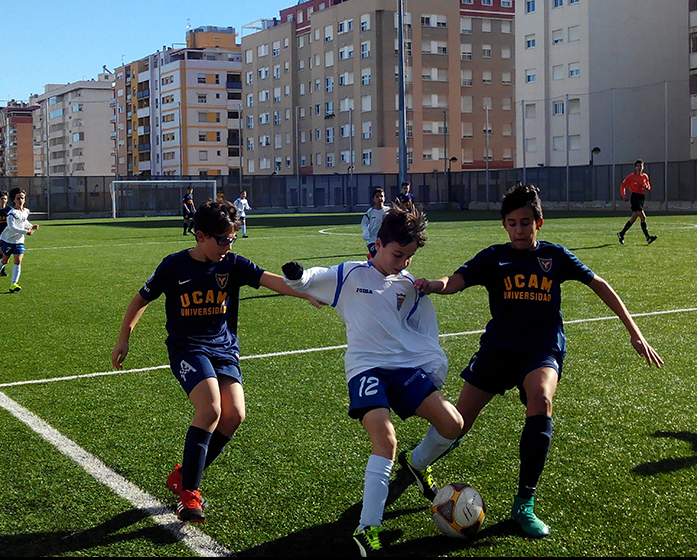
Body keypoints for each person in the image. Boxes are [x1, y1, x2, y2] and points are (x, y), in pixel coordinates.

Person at [413, 183, 662, 538]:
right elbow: (456, 280)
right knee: (457, 423)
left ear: (539, 223)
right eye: (512, 223)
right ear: (504, 225)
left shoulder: (555, 256)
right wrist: (434, 285)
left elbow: (600, 284)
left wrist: (634, 331)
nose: (519, 230)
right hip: (499, 348)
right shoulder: (494, 256)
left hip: (541, 348)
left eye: (526, 222)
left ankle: (524, 503)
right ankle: (417, 462)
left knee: (541, 399)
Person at [111, 199, 320, 524]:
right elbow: (141, 299)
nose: (227, 245)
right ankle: (189, 494)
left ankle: (184, 475)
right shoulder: (174, 265)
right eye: (221, 239)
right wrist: (124, 336)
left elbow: (270, 279)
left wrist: (303, 291)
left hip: (224, 349)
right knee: (210, 408)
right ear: (200, 235)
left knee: (234, 415)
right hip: (187, 348)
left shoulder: (232, 264)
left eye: (231, 239)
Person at [281, 207, 463, 557]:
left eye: (409, 257)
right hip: (366, 369)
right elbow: (310, 279)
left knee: (452, 423)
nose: (403, 263)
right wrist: (298, 276)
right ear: (377, 244)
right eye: (398, 254)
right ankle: (367, 528)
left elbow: (418, 320)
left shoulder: (408, 283)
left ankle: (418, 463)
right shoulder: (350, 275)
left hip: (402, 366)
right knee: (386, 439)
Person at [0, 188, 39, 292]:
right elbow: (12, 227)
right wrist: (25, 232)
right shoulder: (12, 213)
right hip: (7, 240)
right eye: (18, 198)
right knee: (5, 260)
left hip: (19, 241)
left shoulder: (26, 211)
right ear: (14, 200)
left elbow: (24, 222)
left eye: (22, 198)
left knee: (18, 261)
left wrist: (32, 226)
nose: (20, 200)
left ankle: (13, 284)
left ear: (25, 199)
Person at [618, 160, 657, 245]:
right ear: (635, 167)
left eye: (641, 166)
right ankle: (648, 237)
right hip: (635, 197)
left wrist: (647, 187)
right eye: (638, 166)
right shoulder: (631, 177)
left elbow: (648, 187)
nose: (639, 167)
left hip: (641, 197)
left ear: (643, 167)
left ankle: (621, 233)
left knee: (634, 218)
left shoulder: (645, 176)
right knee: (643, 217)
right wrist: (624, 195)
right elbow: (623, 186)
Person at [360, 187, 389, 258]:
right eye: (377, 196)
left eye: (381, 196)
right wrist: (365, 231)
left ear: (384, 198)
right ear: (373, 199)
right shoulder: (370, 212)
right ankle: (371, 257)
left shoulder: (388, 211)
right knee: (377, 257)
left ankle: (371, 258)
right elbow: (364, 222)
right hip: (373, 240)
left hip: (385, 239)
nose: (380, 198)